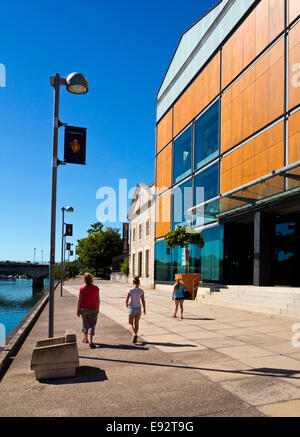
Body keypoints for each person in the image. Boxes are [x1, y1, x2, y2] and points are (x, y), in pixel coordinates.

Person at [77, 272, 100, 348]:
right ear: (91, 279)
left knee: (85, 324)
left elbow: (79, 300)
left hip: (83, 309)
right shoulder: (96, 288)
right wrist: (98, 308)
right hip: (94, 308)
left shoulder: (82, 288)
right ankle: (91, 341)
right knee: (92, 325)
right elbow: (98, 299)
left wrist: (78, 309)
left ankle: (86, 339)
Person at [126, 276, 146, 343]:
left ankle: (134, 334)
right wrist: (144, 309)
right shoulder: (141, 291)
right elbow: (143, 301)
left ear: (133, 282)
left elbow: (127, 299)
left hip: (132, 308)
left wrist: (126, 304)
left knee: (130, 323)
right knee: (136, 323)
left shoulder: (130, 290)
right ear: (139, 283)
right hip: (138, 308)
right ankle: (135, 336)